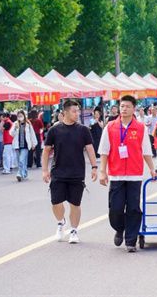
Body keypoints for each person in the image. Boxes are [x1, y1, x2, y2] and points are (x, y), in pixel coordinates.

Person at [98, 95, 156, 252]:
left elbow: (146, 151)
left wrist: (152, 169)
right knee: (115, 208)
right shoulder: (110, 127)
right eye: (122, 106)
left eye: (127, 106)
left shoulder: (141, 128)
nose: (124, 109)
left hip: (134, 174)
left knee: (133, 208)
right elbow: (104, 151)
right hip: (116, 174)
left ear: (133, 109)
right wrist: (102, 171)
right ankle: (119, 228)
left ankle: (131, 241)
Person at [42, 100, 98, 244]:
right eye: (74, 111)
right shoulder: (54, 130)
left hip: (76, 172)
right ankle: (61, 222)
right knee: (56, 202)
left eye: (78, 111)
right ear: (65, 112)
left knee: (75, 204)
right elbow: (46, 150)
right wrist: (44, 170)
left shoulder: (83, 130)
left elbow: (90, 148)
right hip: (58, 172)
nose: (77, 113)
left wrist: (94, 167)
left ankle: (74, 230)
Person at [10, 110, 38, 182]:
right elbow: (11, 134)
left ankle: (19, 173)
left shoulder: (28, 124)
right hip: (17, 145)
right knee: (21, 161)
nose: (20, 117)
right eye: (18, 116)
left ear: (24, 116)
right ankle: (24, 173)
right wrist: (15, 128)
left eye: (21, 115)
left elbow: (32, 134)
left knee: (22, 160)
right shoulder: (15, 124)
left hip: (25, 145)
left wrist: (34, 143)